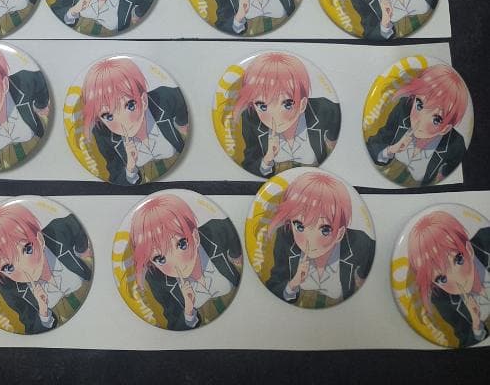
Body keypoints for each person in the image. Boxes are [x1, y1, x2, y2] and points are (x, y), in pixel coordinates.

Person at [0, 202, 93, 333]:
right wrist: (43, 312)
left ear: (40, 240)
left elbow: (78, 222)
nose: (25, 268)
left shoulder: (58, 231)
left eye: (28, 249)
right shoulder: (9, 289)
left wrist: (82, 249)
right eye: (8, 267)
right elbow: (32, 327)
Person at [130, 194, 242, 330]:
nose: (177, 262)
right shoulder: (156, 280)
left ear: (195, 237)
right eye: (160, 259)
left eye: (182, 244)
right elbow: (173, 323)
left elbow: (234, 235)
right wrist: (189, 312)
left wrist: (236, 256)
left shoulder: (216, 231)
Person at [266, 171, 375, 307]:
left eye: (325, 230)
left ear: (340, 233)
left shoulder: (361, 243)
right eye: (300, 226)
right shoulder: (285, 238)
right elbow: (274, 285)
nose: (310, 240)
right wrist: (292, 284)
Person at [80, 58, 187, 184]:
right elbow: (116, 177)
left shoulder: (164, 98)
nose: (123, 122)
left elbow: (185, 107)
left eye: (130, 105)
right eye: (108, 116)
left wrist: (181, 124)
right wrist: (130, 169)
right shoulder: (103, 135)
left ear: (144, 100)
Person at [233, 52, 339, 176]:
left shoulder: (324, 109)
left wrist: (332, 142)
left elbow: (341, 132)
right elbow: (249, 165)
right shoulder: (251, 119)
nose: (275, 116)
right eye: (262, 106)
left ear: (302, 104)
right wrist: (267, 160)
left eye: (287, 104)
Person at [366, 64, 470, 187]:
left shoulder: (456, 144)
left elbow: (455, 171)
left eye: (436, 119)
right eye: (419, 104)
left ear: (445, 129)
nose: (420, 121)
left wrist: (441, 178)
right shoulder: (403, 110)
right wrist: (391, 150)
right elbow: (374, 145)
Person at [407, 211, 490, 348]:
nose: (457, 279)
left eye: (458, 260)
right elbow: (465, 341)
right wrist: (477, 325)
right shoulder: (442, 300)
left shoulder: (487, 238)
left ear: (469, 250)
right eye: (441, 278)